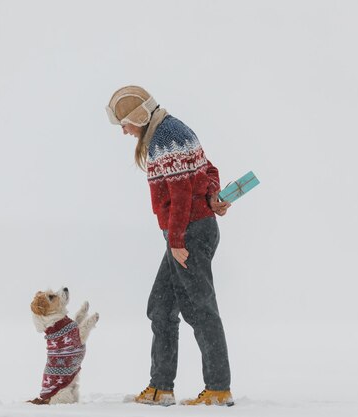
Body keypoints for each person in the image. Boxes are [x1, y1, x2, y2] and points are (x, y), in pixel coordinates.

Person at [106, 86, 234, 406]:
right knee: (161, 307)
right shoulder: (172, 130)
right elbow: (209, 170)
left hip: (189, 233)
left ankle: (218, 388)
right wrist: (213, 195)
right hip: (190, 229)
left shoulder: (166, 137)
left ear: (139, 116)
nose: (124, 130)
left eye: (125, 123)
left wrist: (176, 239)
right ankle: (161, 387)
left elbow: (179, 196)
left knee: (200, 308)